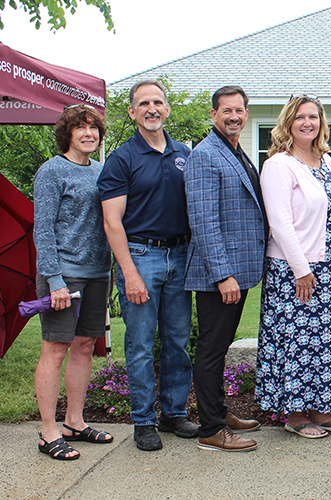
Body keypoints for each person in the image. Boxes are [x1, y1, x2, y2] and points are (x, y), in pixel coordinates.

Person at [98, 80, 198, 451]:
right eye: (144, 104)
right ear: (132, 112)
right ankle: (143, 421)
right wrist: (129, 272)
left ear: (167, 109)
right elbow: (112, 222)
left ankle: (174, 414)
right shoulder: (122, 159)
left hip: (181, 256)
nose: (152, 109)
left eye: (158, 102)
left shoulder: (183, 153)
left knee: (177, 341)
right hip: (141, 256)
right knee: (140, 345)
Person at [255, 94, 331, 439]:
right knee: (298, 342)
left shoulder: (325, 161)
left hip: (329, 268)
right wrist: (301, 269)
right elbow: (280, 222)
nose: (307, 122)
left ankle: (322, 410)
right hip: (295, 270)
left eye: (313, 117)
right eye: (300, 117)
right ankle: (296, 415)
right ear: (288, 122)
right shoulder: (279, 165)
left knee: (326, 342)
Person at [184, 86, 265, 452]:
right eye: (226, 110)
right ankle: (211, 430)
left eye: (239, 110)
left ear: (246, 113)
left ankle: (218, 411)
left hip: (238, 271)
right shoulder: (204, 155)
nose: (234, 116)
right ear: (213, 114)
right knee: (212, 349)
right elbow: (203, 221)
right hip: (220, 276)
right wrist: (222, 274)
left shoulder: (234, 149)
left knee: (220, 345)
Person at [33, 104, 114, 460]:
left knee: (84, 347)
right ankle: (48, 430)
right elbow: (43, 229)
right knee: (55, 348)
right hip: (65, 274)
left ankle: (75, 422)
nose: (88, 134)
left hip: (98, 272)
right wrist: (54, 280)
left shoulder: (102, 170)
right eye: (80, 128)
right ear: (68, 133)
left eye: (93, 128)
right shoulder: (51, 172)